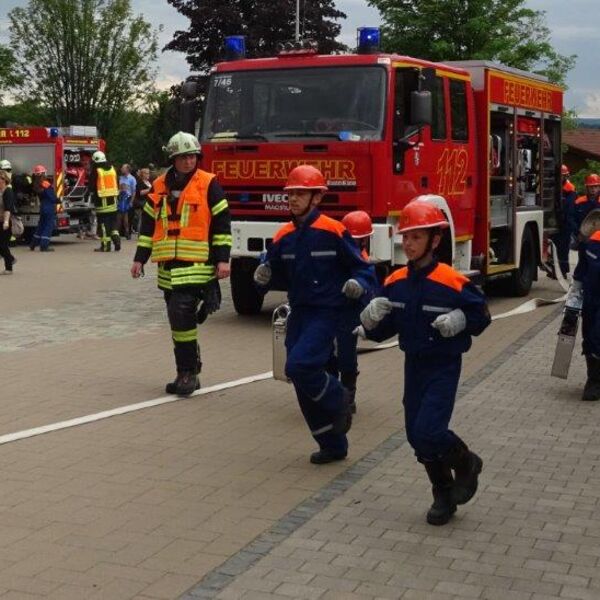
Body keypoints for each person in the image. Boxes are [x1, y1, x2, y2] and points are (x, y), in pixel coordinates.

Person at [358, 199, 491, 525]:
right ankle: (444, 491)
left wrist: (461, 319)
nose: (409, 243)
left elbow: (481, 315)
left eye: (417, 237)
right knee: (416, 437)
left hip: (443, 366)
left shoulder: (452, 281)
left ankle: (465, 463)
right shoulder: (396, 282)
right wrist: (369, 322)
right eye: (406, 237)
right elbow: (385, 330)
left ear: (435, 240)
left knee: (429, 430)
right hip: (413, 366)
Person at [253, 165, 376, 465]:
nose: (293, 199)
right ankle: (332, 444)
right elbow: (275, 273)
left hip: (328, 313)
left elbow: (364, 268)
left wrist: (357, 285)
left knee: (299, 366)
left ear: (317, 198)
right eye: (291, 194)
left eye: (300, 194)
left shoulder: (333, 231)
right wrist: (263, 276)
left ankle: (340, 399)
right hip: (300, 313)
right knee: (297, 378)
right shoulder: (284, 236)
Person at [130, 132, 232, 396]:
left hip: (197, 264)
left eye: (193, 156)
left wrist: (222, 259)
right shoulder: (159, 185)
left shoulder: (209, 184)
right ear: (173, 159)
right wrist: (139, 258)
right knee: (178, 323)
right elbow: (148, 225)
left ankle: (186, 373)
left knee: (180, 313)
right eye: (184, 157)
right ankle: (189, 369)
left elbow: (222, 225)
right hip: (167, 269)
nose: (189, 161)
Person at [332, 210, 376, 413]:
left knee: (347, 356)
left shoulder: (364, 260)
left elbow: (371, 291)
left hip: (351, 313)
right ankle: (333, 395)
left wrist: (359, 288)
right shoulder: (339, 253)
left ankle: (348, 396)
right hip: (333, 310)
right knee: (327, 355)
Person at [566, 208, 600, 401]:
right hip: (590, 300)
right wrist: (572, 306)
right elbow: (580, 274)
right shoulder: (590, 244)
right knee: (589, 338)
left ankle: (595, 382)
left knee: (597, 337)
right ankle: (593, 379)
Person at [87, 150, 120, 252]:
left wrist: (89, 193)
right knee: (113, 223)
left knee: (103, 225)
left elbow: (91, 186)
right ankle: (116, 239)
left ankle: (106, 246)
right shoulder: (112, 169)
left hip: (102, 203)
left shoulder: (97, 171)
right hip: (113, 202)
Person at [549, 165, 576, 279]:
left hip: (565, 223)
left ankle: (563, 271)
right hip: (557, 221)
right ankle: (556, 270)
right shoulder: (556, 188)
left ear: (566, 176)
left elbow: (568, 208)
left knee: (563, 248)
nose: (561, 178)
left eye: (563, 176)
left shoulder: (569, 190)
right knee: (555, 246)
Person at [29, 165, 60, 252]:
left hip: (43, 207)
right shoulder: (45, 183)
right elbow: (51, 196)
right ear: (42, 174)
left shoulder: (36, 183)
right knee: (48, 226)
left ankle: (33, 244)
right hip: (49, 207)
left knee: (41, 226)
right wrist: (59, 200)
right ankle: (44, 246)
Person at [569, 174, 600, 250]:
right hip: (583, 239)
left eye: (595, 186)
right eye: (591, 187)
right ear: (587, 187)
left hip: (598, 241)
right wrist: (578, 233)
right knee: (583, 261)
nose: (593, 189)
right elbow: (571, 218)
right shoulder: (579, 202)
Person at [0, 169, 16, 273]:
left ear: (4, 179)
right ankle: (11, 259)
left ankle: (9, 267)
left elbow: (8, 208)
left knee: (2, 245)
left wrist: (6, 221)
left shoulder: (8, 191)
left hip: (5, 222)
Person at [119, 163, 136, 240]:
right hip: (120, 197)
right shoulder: (120, 178)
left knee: (125, 216)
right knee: (119, 216)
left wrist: (131, 202)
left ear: (127, 169)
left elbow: (134, 191)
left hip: (127, 198)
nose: (121, 169)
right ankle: (120, 232)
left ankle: (127, 231)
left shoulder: (132, 179)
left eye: (123, 168)